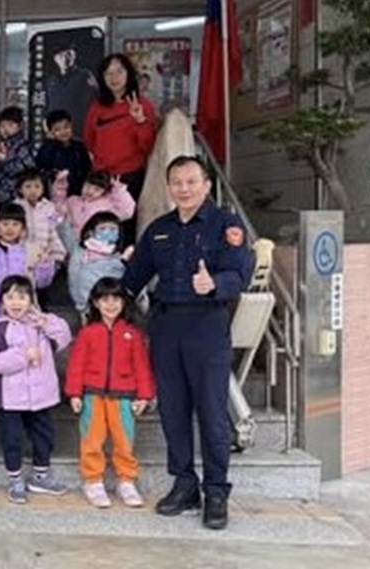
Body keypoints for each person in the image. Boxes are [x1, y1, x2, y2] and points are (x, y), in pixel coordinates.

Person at [122, 155, 253, 530]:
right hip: (165, 327)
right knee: (173, 411)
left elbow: (240, 273)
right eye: (177, 182)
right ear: (168, 187)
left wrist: (215, 284)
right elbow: (133, 277)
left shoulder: (225, 225)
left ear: (207, 185)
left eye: (191, 181)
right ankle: (184, 484)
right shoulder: (159, 229)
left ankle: (216, 491)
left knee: (211, 412)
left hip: (206, 326)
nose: (184, 188)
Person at [65, 277, 155, 509]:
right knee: (91, 439)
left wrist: (144, 396)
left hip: (123, 396)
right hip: (92, 395)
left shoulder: (132, 334)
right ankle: (93, 481)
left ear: (124, 303)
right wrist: (74, 393)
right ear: (96, 303)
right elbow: (76, 365)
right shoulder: (88, 333)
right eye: (105, 299)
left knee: (124, 441)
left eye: (116, 299)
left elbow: (141, 367)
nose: (111, 304)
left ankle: (126, 480)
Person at [0, 275, 72, 504]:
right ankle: (15, 479)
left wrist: (46, 321)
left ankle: (40, 476)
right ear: (1, 302)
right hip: (9, 397)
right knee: (12, 439)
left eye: (22, 297)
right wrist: (23, 356)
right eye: (10, 297)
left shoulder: (40, 323)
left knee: (44, 435)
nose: (16, 302)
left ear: (31, 300)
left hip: (41, 395)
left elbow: (64, 336)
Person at [84, 53, 158, 206]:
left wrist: (140, 121)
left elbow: (148, 146)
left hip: (130, 177)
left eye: (119, 71)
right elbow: (89, 139)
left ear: (129, 74)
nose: (114, 77)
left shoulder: (142, 105)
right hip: (101, 178)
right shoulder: (97, 107)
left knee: (126, 219)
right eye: (109, 73)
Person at [0, 203, 58, 320]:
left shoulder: (32, 251)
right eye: (5, 224)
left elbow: (42, 283)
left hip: (24, 313)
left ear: (23, 228)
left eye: (15, 224)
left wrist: (44, 265)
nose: (9, 229)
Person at [58, 211, 132, 313]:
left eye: (113, 229)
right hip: (82, 306)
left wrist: (124, 262)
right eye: (102, 229)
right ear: (91, 232)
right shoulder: (79, 252)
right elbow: (66, 234)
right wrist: (61, 216)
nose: (108, 232)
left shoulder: (119, 258)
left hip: (106, 308)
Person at [43, 40, 98, 139]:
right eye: (61, 55)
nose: (65, 58)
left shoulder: (84, 76)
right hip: (56, 135)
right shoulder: (51, 81)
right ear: (55, 59)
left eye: (68, 54)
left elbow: (95, 101)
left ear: (74, 55)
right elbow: (46, 107)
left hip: (78, 134)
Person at [0, 106, 37, 205]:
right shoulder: (1, 144)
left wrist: (4, 160)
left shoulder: (23, 145)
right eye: (2, 126)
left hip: (15, 194)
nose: (5, 129)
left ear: (20, 126)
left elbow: (26, 168)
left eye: (10, 125)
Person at [15, 168, 66, 267]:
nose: (33, 190)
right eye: (28, 186)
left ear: (43, 189)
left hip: (45, 256)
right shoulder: (16, 207)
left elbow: (54, 231)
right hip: (21, 257)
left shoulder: (50, 208)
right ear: (20, 189)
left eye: (37, 186)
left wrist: (58, 255)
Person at [62, 171, 137, 238]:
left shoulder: (107, 205)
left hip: (96, 243)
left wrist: (117, 189)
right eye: (88, 186)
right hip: (71, 240)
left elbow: (127, 211)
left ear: (104, 192)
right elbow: (59, 212)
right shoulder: (72, 200)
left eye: (97, 189)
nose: (90, 191)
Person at [35, 109, 92, 197]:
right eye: (57, 129)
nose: (63, 132)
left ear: (71, 126)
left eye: (66, 127)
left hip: (79, 193)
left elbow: (87, 169)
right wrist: (49, 142)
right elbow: (42, 170)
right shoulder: (47, 149)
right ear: (50, 132)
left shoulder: (80, 147)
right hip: (56, 195)